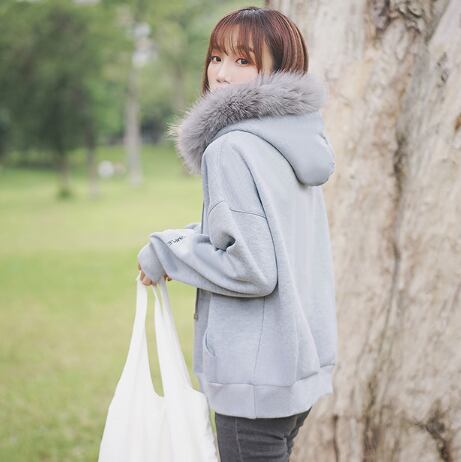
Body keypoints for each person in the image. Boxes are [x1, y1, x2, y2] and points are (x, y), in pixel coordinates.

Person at [137, 6, 337, 461]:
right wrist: (172, 245)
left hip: (254, 382)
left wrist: (167, 253)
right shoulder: (296, 141)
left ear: (278, 68)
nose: (222, 74)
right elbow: (264, 238)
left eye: (243, 60)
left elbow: (252, 268)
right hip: (294, 373)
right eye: (216, 57)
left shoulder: (231, 148)